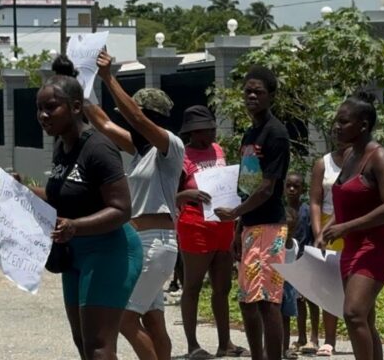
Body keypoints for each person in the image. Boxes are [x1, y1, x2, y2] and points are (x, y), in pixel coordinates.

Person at [18, 74, 141, 359]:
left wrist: (75, 226)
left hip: (109, 251)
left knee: (99, 346)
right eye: (39, 108)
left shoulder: (98, 149)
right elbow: (63, 197)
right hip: (74, 253)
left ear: (75, 107)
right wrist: (21, 190)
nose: (42, 115)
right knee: (83, 343)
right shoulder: (62, 146)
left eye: (51, 107)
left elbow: (122, 209)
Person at [83, 51, 182, 360]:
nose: (132, 121)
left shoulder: (169, 146)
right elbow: (104, 124)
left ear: (153, 118)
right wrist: (79, 87)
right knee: (153, 320)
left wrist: (109, 77)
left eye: (138, 116)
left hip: (157, 243)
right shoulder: (141, 151)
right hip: (143, 245)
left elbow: (135, 119)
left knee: (124, 317)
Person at [214, 65, 291, 360]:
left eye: (258, 91)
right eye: (247, 91)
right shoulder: (250, 133)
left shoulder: (276, 134)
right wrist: (239, 226)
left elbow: (267, 188)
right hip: (250, 226)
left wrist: (234, 213)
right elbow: (248, 185)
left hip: (270, 225)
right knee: (247, 300)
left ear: (271, 95)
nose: (251, 96)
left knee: (267, 301)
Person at [319, 93, 384, 360]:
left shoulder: (379, 157)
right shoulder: (348, 156)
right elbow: (345, 201)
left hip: (377, 246)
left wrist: (345, 228)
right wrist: (327, 228)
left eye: (344, 122)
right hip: (352, 248)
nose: (336, 127)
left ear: (363, 125)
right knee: (364, 319)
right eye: (336, 121)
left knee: (353, 313)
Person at [173, 105, 248, 359]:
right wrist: (187, 194)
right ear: (194, 132)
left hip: (222, 222)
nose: (213, 132)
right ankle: (193, 345)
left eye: (213, 127)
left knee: (222, 287)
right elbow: (171, 196)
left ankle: (224, 342)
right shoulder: (181, 156)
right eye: (208, 128)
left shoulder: (218, 150)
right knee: (192, 286)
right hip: (195, 222)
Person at [307, 146, 344, 357]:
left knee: (356, 283)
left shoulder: (361, 160)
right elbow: (315, 200)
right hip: (325, 229)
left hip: (351, 224)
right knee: (328, 285)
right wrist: (318, 231)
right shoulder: (323, 163)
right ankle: (330, 340)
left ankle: (365, 334)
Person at [283, 173, 311, 359]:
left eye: (296, 186)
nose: (292, 189)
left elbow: (312, 234)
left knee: (304, 300)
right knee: (284, 302)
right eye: (289, 186)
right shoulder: (280, 210)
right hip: (284, 261)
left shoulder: (307, 210)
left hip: (303, 259)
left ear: (303, 189)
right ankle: (283, 343)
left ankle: (304, 337)